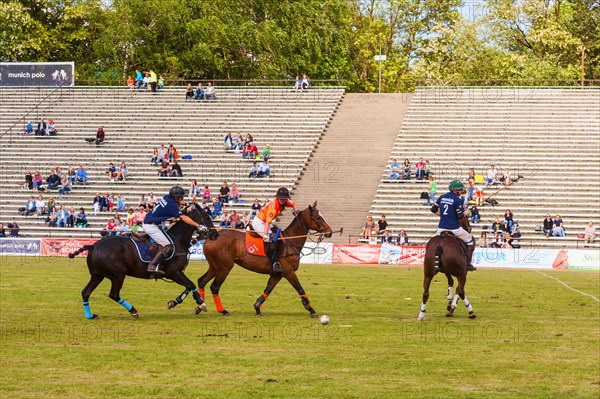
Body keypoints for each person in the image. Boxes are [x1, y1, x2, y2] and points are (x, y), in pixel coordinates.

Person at [143, 186, 206, 277]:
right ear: (176, 197)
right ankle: (152, 265)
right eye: (181, 197)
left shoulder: (166, 198)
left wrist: (187, 205)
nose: (182, 199)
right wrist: (198, 225)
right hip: (151, 226)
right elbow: (183, 217)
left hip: (153, 223)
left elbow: (179, 205)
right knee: (168, 246)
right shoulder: (171, 205)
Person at [431, 180, 476, 271]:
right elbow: (459, 216)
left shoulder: (442, 197)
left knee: (436, 244)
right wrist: (465, 213)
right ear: (454, 190)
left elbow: (433, 209)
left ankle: (437, 263)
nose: (461, 192)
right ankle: (468, 263)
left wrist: (442, 215)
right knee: (471, 240)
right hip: (454, 228)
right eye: (460, 190)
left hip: (441, 228)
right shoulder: (457, 200)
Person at [251, 187, 297, 274]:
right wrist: (265, 235)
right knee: (272, 239)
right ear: (277, 197)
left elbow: (293, 204)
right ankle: (273, 263)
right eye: (281, 198)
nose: (283, 200)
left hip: (265, 222)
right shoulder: (273, 207)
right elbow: (268, 223)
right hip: (259, 222)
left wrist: (295, 210)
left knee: (278, 233)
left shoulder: (285, 201)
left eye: (284, 198)